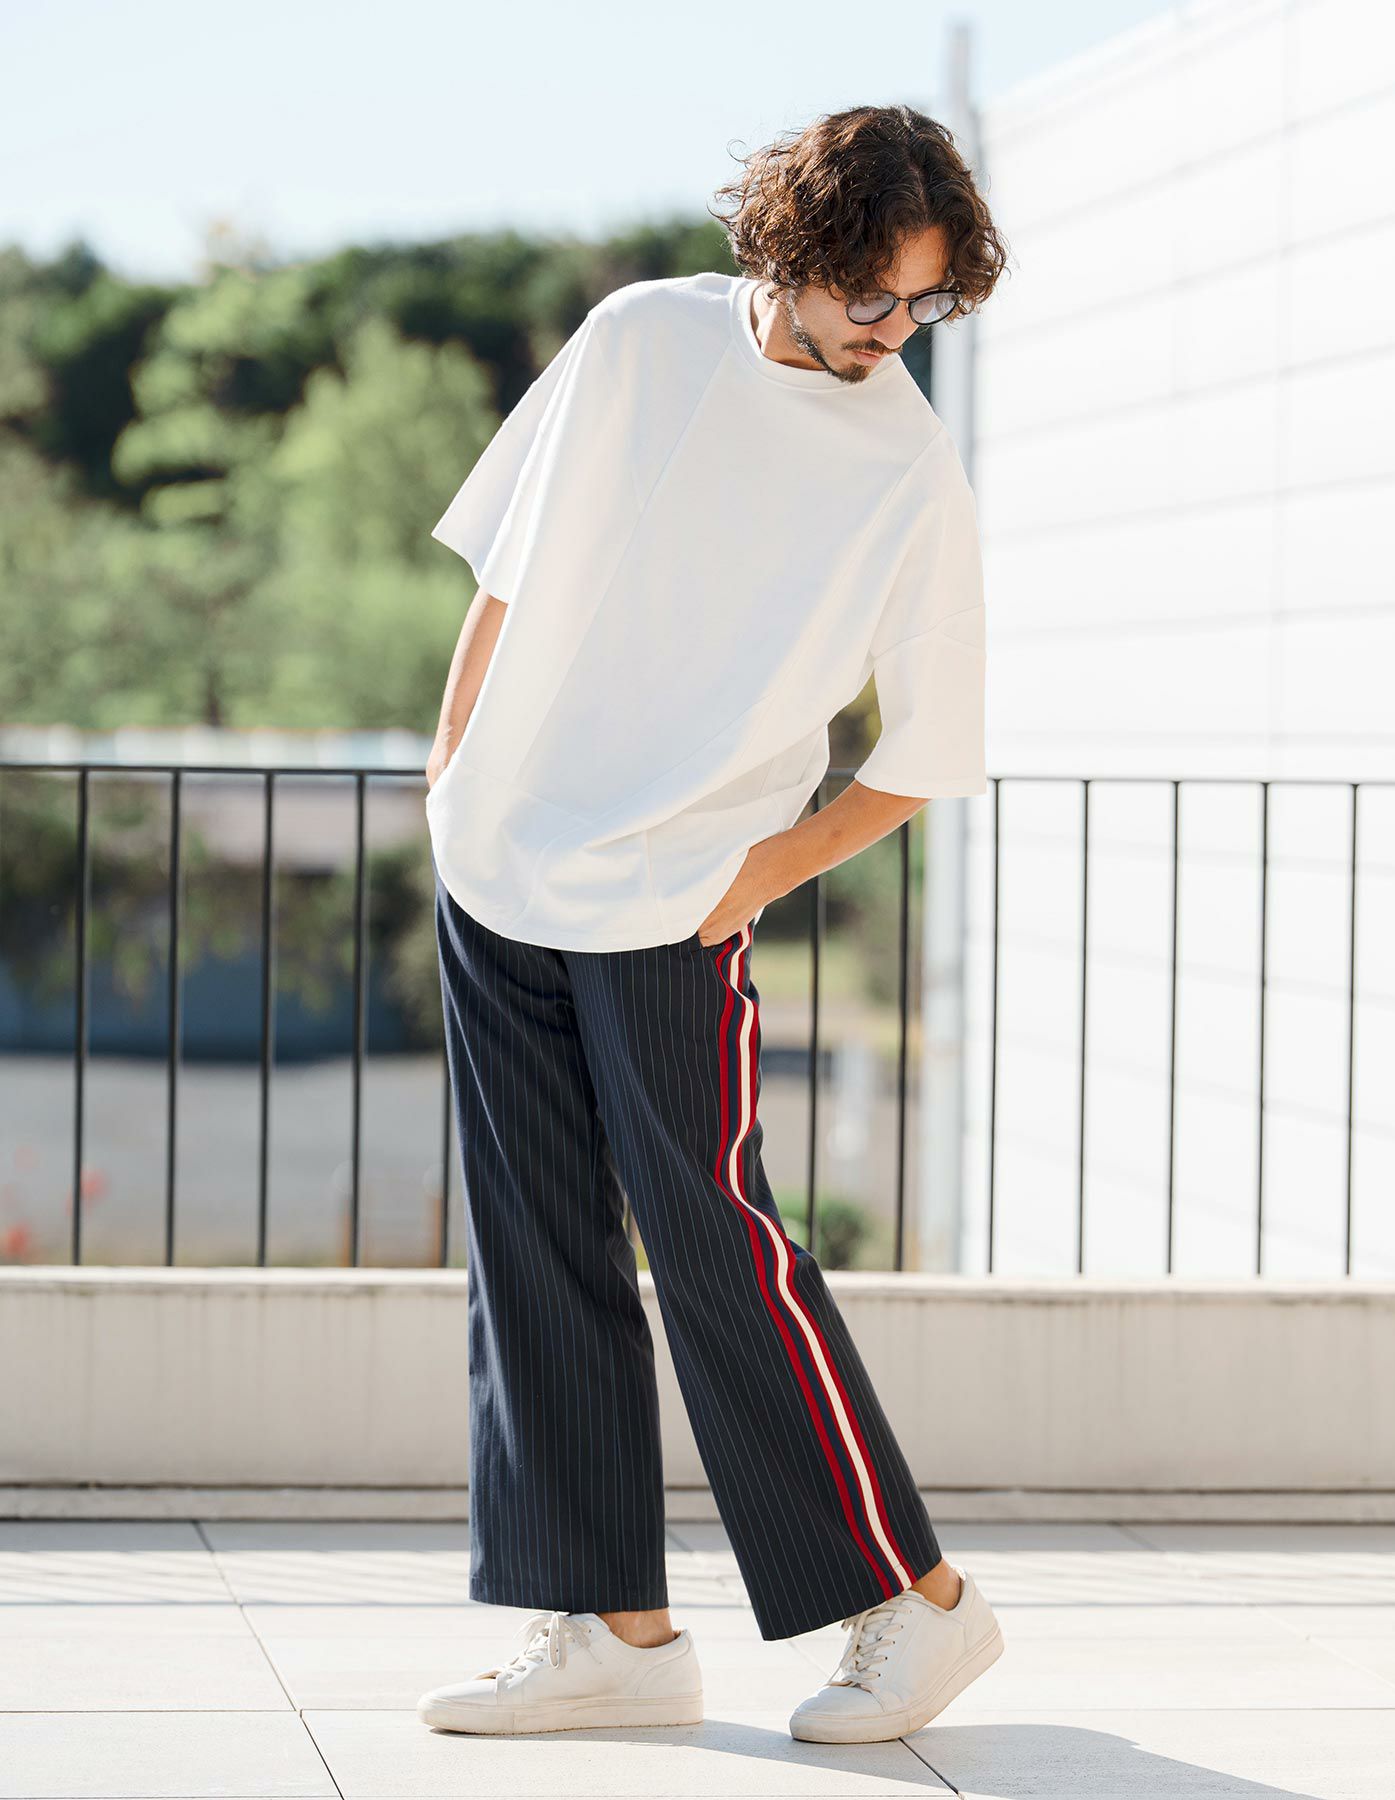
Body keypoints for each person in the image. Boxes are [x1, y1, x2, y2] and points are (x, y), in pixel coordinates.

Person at [415, 102, 1008, 1746]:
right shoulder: (636, 343)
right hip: (502, 865)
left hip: (678, 902)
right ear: (794, 249)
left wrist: (757, 873)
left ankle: (919, 1605)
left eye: (927, 303)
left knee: (720, 1251)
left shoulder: (907, 466)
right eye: (874, 296)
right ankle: (614, 1634)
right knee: (535, 1253)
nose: (896, 331)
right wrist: (453, 779)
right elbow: (508, 572)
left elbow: (930, 754)